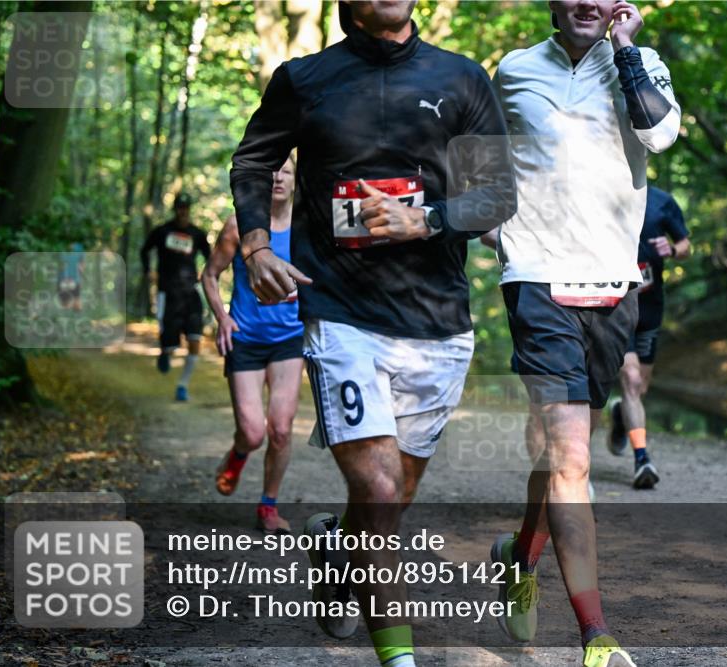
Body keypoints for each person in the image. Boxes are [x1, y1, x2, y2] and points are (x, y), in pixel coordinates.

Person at [229, 1, 516, 664]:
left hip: (437, 320)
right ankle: (398, 657)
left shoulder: (461, 78)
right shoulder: (304, 78)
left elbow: (497, 193)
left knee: (391, 497)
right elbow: (253, 162)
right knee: (380, 488)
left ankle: (336, 548)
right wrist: (256, 245)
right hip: (339, 310)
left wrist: (428, 218)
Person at [487, 2, 679, 665]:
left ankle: (520, 556)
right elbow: (480, 150)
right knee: (571, 457)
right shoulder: (514, 69)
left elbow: (659, 135)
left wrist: (626, 51)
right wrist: (489, 220)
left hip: (613, 286)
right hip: (537, 278)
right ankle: (596, 636)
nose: (587, 3)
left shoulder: (642, 64)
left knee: (557, 454)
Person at [201, 156, 304, 535]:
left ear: (295, 180)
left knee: (280, 429)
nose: (278, 177)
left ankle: (268, 507)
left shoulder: (307, 228)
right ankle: (239, 452)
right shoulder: (239, 227)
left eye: (286, 171)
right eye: (272, 171)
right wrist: (222, 318)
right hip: (245, 338)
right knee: (253, 433)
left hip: (289, 340)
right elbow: (210, 275)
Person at [608, 186, 691, 489]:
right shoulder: (603, 191)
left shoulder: (661, 201)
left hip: (650, 308)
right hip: (616, 306)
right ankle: (642, 459)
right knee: (630, 379)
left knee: (639, 387)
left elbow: (685, 245)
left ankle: (621, 414)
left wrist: (673, 249)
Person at [141, 193, 211, 402]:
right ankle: (165, 350)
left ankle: (183, 385)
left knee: (195, 338)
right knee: (170, 341)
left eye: (186, 207)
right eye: (180, 207)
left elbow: (211, 257)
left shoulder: (197, 234)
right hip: (167, 292)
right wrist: (148, 271)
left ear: (189, 209)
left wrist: (208, 275)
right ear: (175, 209)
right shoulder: (162, 231)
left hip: (191, 292)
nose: (183, 211)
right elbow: (144, 250)